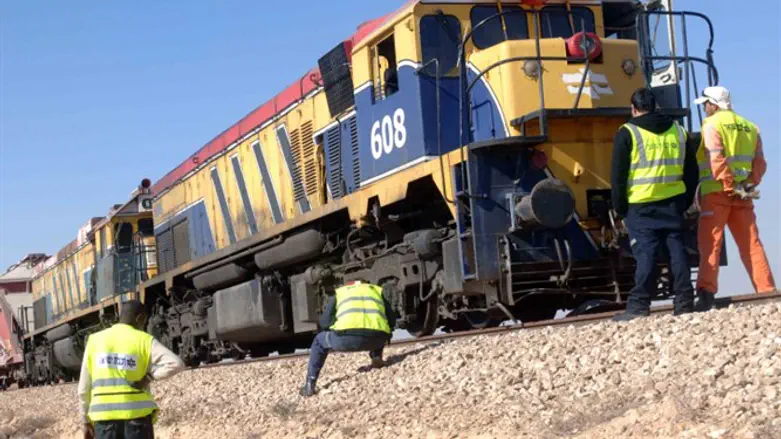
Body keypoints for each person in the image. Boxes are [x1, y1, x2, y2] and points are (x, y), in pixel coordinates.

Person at [611, 88, 698, 321]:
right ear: (655, 105)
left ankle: (638, 307)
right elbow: (692, 172)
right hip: (672, 203)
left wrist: (620, 207)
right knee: (677, 252)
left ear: (634, 108)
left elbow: (618, 175)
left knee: (646, 254)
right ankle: (684, 303)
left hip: (641, 204)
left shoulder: (627, 132)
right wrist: (684, 201)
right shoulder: (678, 131)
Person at [693, 86, 776, 311]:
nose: (704, 109)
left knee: (711, 245)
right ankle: (767, 292)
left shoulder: (712, 124)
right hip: (743, 194)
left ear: (713, 104)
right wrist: (747, 185)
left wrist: (729, 185)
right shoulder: (750, 127)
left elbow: (716, 158)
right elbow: (760, 163)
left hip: (717, 192)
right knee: (752, 245)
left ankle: (706, 294)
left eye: (705, 105)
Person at [78, 300, 184, 439]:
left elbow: (83, 389)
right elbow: (176, 363)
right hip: (138, 420)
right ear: (140, 318)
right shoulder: (144, 340)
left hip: (104, 422)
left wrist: (85, 421)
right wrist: (148, 378)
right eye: (144, 321)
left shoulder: (94, 340)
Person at [300, 280, 395, 397]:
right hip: (376, 340)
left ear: (348, 286)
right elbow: (392, 321)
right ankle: (376, 357)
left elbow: (324, 323)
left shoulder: (341, 293)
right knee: (377, 327)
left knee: (319, 341)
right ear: (366, 285)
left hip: (345, 340)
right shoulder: (375, 292)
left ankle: (310, 384)